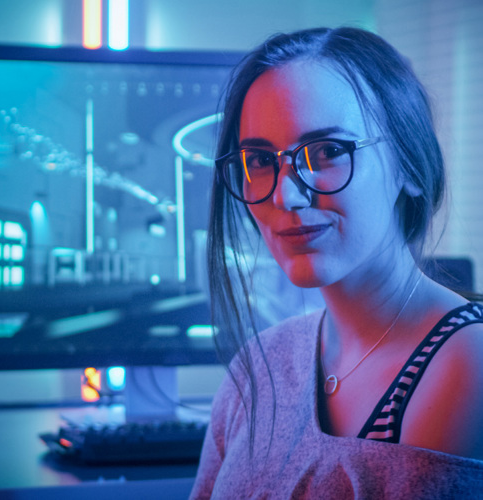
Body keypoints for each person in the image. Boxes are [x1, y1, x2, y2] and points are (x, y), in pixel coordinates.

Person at [190, 27, 483, 499]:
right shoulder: (259, 368)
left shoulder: (467, 364)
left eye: (327, 151)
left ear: (408, 164)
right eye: (260, 160)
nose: (286, 194)